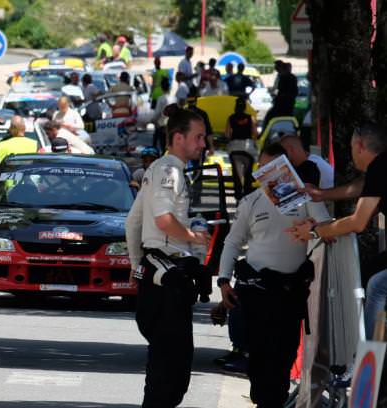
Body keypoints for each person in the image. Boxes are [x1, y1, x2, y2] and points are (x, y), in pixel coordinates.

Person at [219, 142, 330, 406]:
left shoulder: (304, 198)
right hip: (256, 290)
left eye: (275, 168)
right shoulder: (251, 201)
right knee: (258, 355)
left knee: (283, 354)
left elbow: (327, 228)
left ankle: (273, 401)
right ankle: (262, 399)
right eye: (264, 168)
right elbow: (233, 242)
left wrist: (313, 228)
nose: (270, 174)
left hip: (289, 293)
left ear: (287, 168)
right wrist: (223, 280)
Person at [126, 109, 210, 407]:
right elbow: (162, 220)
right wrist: (193, 237)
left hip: (164, 276)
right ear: (178, 137)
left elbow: (133, 223)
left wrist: (138, 267)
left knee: (171, 371)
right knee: (169, 373)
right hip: (166, 280)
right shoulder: (168, 171)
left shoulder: (162, 170)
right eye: (198, 137)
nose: (203, 144)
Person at [289, 123, 386, 340]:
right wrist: (322, 194)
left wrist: (315, 230)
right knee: (371, 271)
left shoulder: (380, 167)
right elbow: (361, 187)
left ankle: (367, 360)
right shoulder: (381, 168)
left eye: (352, 147)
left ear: (359, 145)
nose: (352, 154)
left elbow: (358, 222)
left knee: (378, 286)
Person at [225, 98, 258, 197]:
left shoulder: (230, 118)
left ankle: (238, 193)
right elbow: (255, 133)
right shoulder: (250, 118)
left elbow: (227, 134)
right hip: (247, 148)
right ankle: (247, 191)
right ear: (245, 107)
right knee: (248, 173)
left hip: (234, 148)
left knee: (236, 173)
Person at [264, 61, 299, 127]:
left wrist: (278, 96)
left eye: (276, 66)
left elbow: (280, 89)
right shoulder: (291, 77)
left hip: (282, 104)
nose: (275, 68)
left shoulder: (283, 77)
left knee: (270, 117)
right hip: (288, 104)